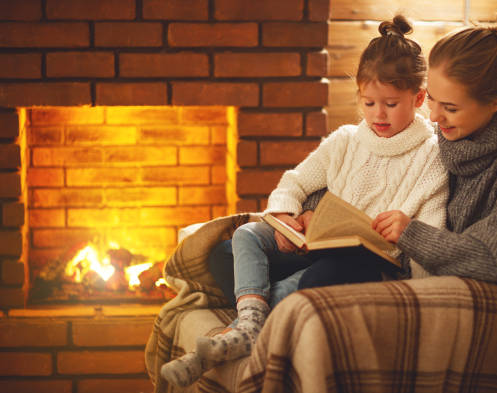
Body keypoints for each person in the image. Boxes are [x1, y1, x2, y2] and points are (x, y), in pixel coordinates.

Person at [160, 15, 449, 388]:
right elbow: (295, 182)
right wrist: (285, 214)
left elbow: (429, 236)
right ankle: (252, 318)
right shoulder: (345, 140)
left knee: (317, 277)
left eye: (391, 104)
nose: (378, 114)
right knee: (235, 245)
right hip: (316, 245)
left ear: (419, 98)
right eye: (369, 102)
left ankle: (244, 324)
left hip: (365, 262)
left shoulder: (431, 155)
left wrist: (403, 242)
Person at [298, 4, 497, 291]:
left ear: (496, 102)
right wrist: (314, 208)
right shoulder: (439, 136)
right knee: (238, 249)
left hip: (408, 279)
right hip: (363, 258)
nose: (434, 118)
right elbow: (359, 171)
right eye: (432, 100)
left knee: (316, 280)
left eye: (450, 108)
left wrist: (412, 235)